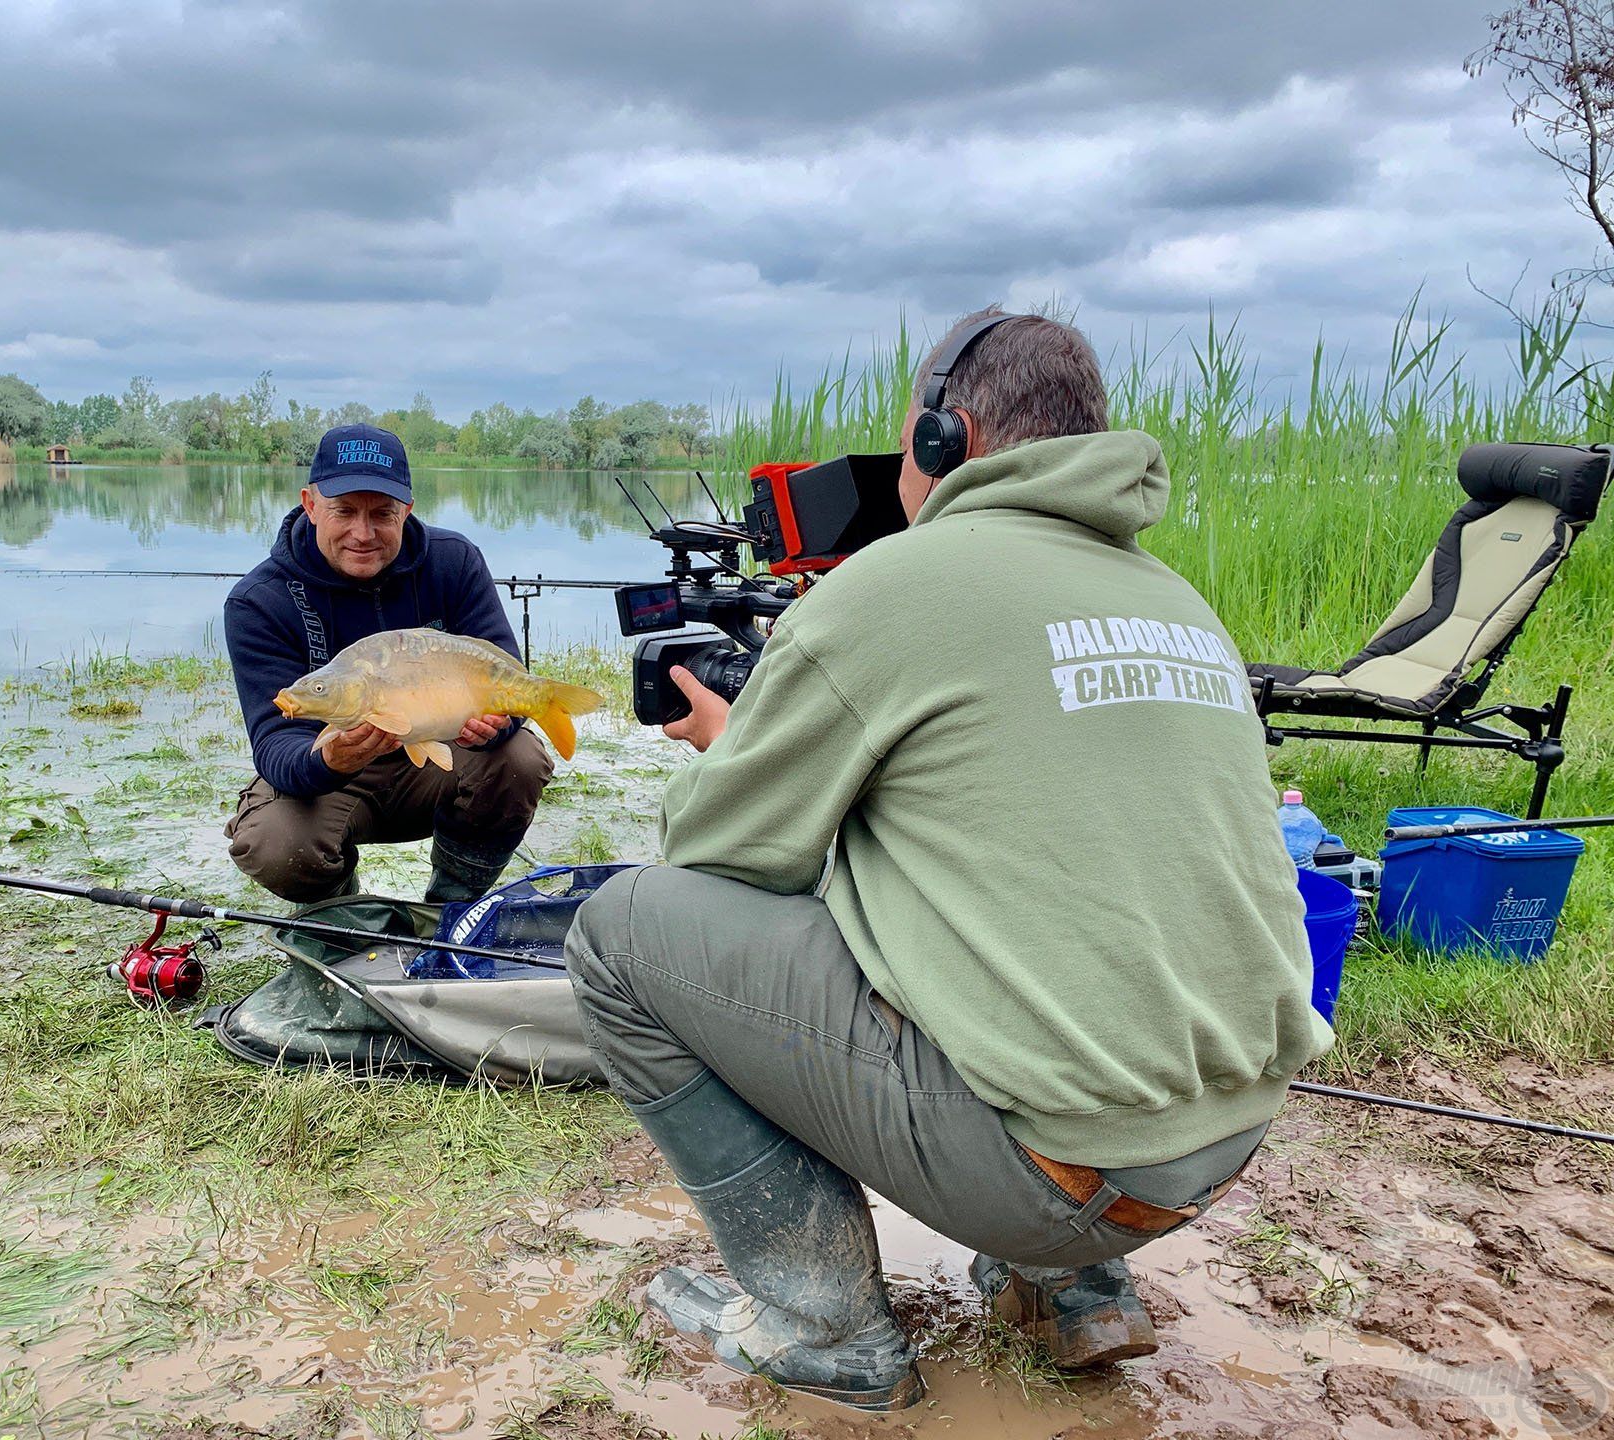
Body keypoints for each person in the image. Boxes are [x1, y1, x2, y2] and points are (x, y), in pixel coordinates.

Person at [564, 310, 1334, 1410]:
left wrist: (734, 748)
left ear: (941, 438)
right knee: (986, 887)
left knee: (621, 931)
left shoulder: (899, 582)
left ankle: (820, 1324)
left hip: (1059, 1171)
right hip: (1224, 1145)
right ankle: (1078, 1291)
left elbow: (717, 855)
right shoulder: (1176, 603)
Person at [223, 423, 553, 905]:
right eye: (344, 511)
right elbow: (274, 744)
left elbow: (508, 685)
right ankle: (344, 911)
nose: (363, 533)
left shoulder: (453, 563)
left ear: (407, 511)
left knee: (520, 757)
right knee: (273, 841)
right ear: (310, 504)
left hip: (437, 758)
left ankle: (450, 905)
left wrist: (499, 726)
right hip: (334, 779)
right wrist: (332, 759)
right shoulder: (259, 601)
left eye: (382, 514)